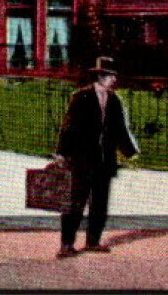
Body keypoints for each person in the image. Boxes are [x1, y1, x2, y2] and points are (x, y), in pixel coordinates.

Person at [54, 57, 140, 258]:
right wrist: (62, 153)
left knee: (100, 203)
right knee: (75, 203)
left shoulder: (114, 99)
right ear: (101, 76)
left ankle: (93, 241)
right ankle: (66, 244)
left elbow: (120, 129)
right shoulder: (81, 97)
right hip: (82, 160)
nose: (114, 80)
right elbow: (69, 126)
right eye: (111, 76)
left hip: (105, 161)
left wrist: (130, 152)